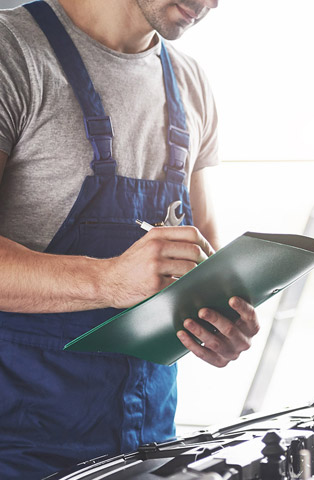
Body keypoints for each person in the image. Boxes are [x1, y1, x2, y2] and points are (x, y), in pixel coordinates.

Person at [0, 0, 260, 477]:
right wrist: (106, 281)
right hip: (17, 447)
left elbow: (205, 256)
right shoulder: (11, 53)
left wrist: (219, 320)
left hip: (149, 444)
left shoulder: (190, 82)